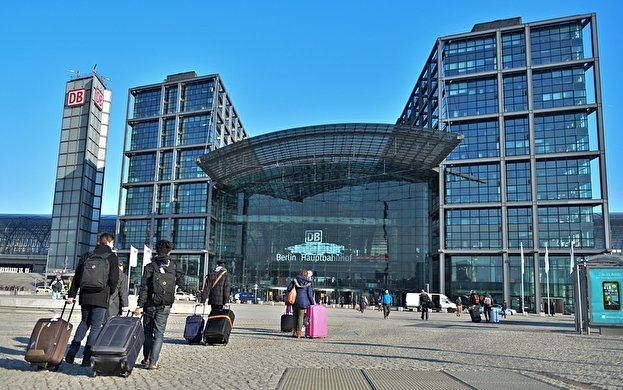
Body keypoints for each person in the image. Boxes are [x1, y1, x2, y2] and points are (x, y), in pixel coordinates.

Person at [65, 232, 119, 366]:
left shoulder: (87, 255)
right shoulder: (112, 257)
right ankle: (86, 357)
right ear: (108, 242)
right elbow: (114, 279)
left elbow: (77, 277)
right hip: (101, 295)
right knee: (96, 326)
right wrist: (110, 291)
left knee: (84, 322)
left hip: (85, 294)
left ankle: (73, 348)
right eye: (112, 243)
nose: (113, 245)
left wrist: (72, 295)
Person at [134, 240, 184, 369]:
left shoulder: (150, 266)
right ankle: (153, 362)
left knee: (148, 332)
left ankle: (146, 359)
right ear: (169, 251)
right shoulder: (174, 266)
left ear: (156, 251)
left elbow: (144, 287)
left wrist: (140, 304)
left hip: (150, 303)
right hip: (165, 304)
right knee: (159, 333)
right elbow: (182, 284)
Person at [286, 270, 315, 338]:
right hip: (303, 302)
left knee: (295, 317)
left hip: (294, 301)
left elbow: (288, 288)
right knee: (300, 317)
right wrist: (312, 303)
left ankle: (294, 332)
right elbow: (310, 295)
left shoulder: (295, 281)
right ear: (306, 275)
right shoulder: (308, 283)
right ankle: (299, 333)